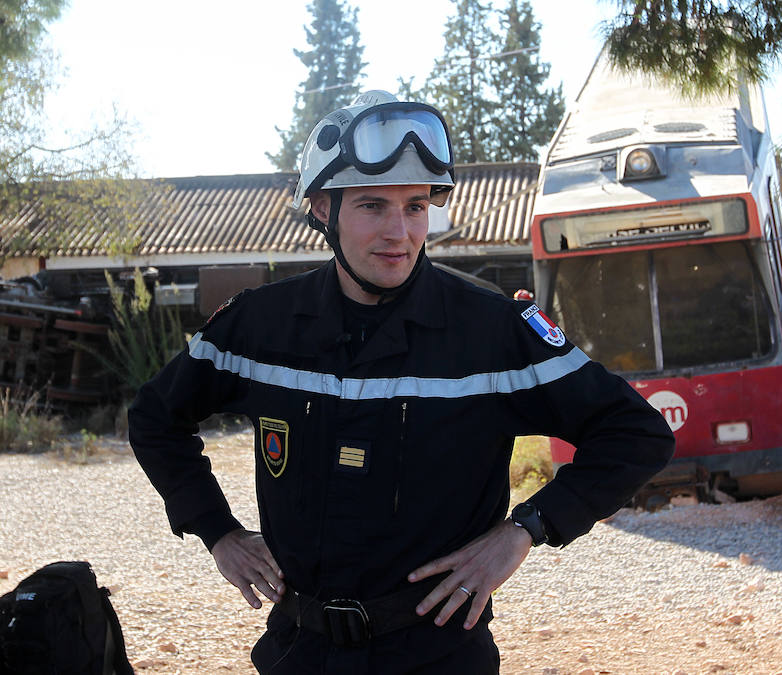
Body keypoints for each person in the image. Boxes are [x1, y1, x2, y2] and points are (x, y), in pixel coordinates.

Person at [128, 90, 675, 674]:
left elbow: (636, 435)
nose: (400, 232)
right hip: (299, 654)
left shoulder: (492, 330)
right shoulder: (262, 325)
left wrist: (524, 531)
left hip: (438, 655)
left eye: (416, 206)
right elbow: (156, 419)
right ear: (321, 209)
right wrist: (218, 532)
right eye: (372, 206)